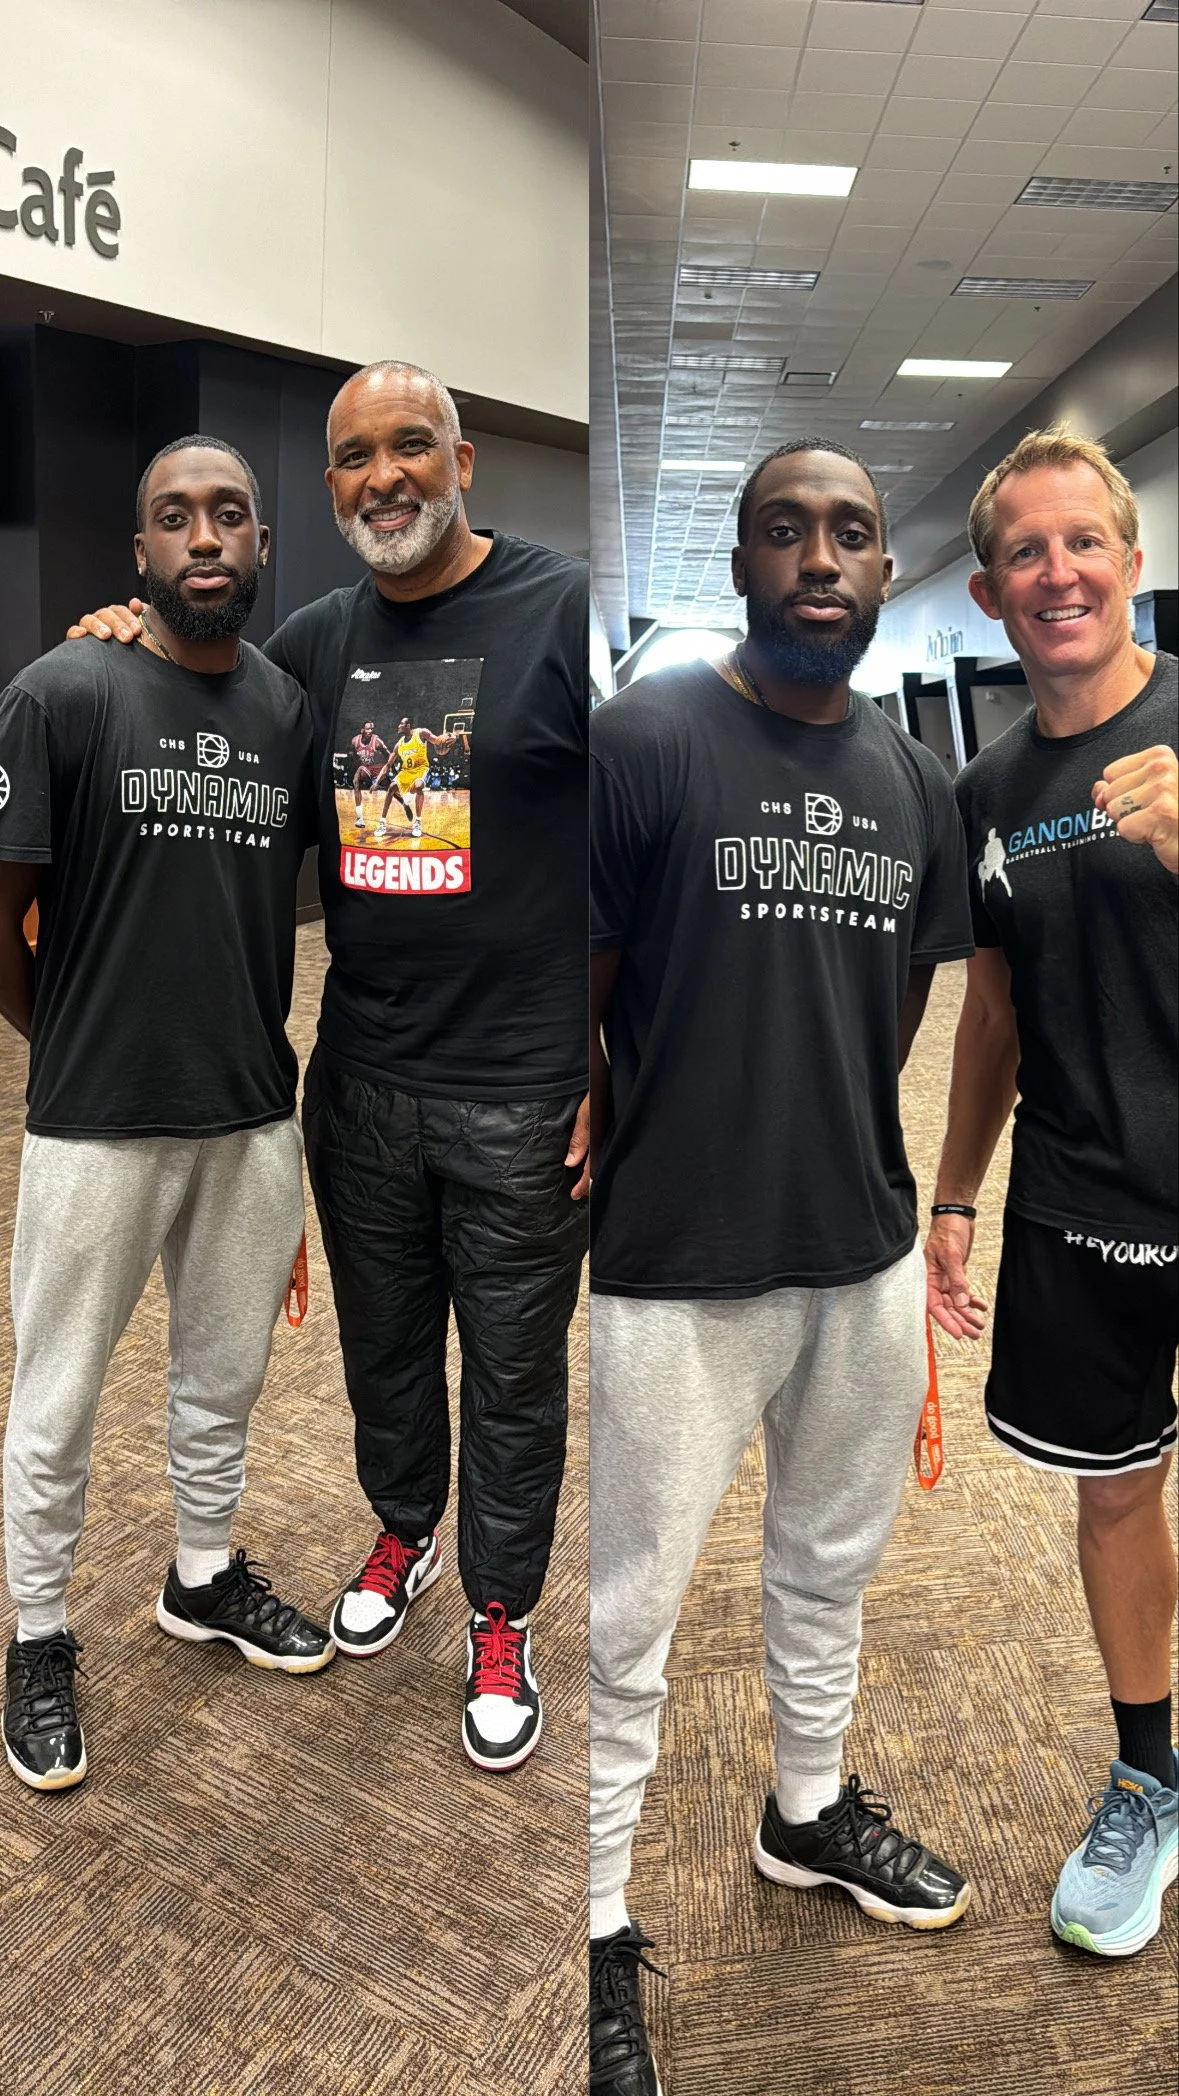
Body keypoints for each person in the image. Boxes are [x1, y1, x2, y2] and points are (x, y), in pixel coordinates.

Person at [69, 361, 589, 1772]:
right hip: (356, 1082)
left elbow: (631, 855)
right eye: (354, 457)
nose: (383, 478)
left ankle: (498, 1610)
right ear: (332, 486)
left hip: (523, 1092)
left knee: (517, 1376)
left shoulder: (558, 609)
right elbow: (205, 710)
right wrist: (127, 638)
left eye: (410, 446)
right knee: (383, 1354)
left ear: (462, 458)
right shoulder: (311, 639)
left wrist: (614, 1055)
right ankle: (404, 1531)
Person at [588, 440, 975, 2095]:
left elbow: (896, 1013)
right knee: (630, 1614)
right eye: (782, 532)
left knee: (827, 1571)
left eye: (849, 534)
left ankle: (804, 1812)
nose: (817, 556)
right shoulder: (645, 738)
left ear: (884, 570)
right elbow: (583, 978)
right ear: (738, 562)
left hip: (858, 1253)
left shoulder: (913, 783)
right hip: (674, 1260)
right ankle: (598, 1926)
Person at [0, 437, 334, 1795]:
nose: (203, 537)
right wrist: (67, 1037)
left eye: (229, 516)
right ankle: (35, 1633)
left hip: (251, 1115)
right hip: (95, 1117)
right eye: (173, 519)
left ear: (261, 546)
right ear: (137, 556)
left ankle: (201, 1575)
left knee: (223, 1377)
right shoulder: (62, 691)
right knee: (58, 1394)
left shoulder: (288, 712)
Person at [926, 427, 1178, 1958]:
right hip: (1086, 1192)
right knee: (1113, 1496)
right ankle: (1146, 1774)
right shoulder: (986, 786)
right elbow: (994, 1013)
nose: (1055, 571)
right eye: (1023, 552)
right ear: (983, 592)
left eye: (1079, 540)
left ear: (1132, 558)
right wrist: (951, 1196)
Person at [373, 715, 453, 839]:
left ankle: (418, 823)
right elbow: (388, 765)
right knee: (392, 787)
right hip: (406, 771)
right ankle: (382, 823)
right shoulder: (398, 745)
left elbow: (436, 740)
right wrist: (377, 781)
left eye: (401, 724)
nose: (398, 726)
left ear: (408, 725)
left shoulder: (421, 733)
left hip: (421, 768)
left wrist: (451, 737)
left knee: (419, 786)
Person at [349, 719, 390, 831]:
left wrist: (390, 768)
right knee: (356, 780)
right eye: (368, 728)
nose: (370, 731)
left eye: (372, 728)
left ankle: (405, 804)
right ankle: (360, 817)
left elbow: (388, 754)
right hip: (366, 768)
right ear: (362, 730)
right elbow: (352, 751)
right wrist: (353, 758)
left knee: (392, 789)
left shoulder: (377, 741)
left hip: (378, 768)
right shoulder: (355, 741)